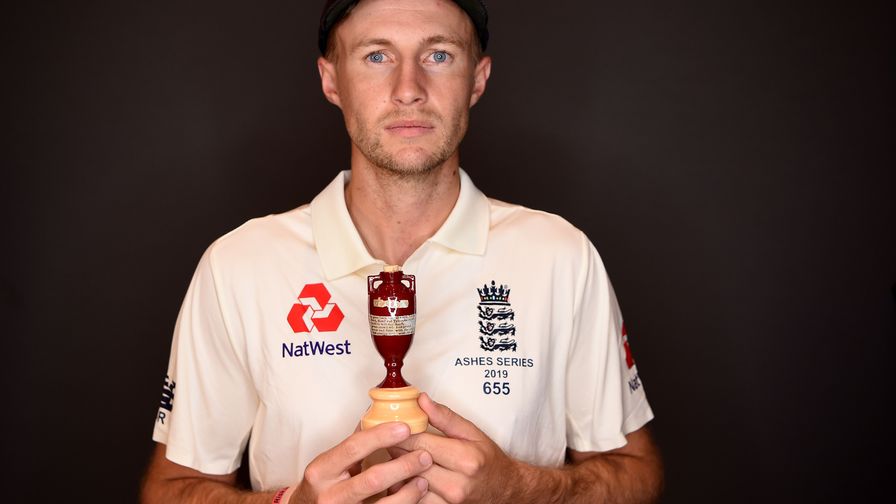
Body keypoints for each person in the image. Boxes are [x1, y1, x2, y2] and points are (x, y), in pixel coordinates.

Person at [140, 0, 664, 502]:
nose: (408, 89)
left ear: (477, 79)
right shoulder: (240, 265)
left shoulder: (560, 256)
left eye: (439, 55)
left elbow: (634, 472)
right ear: (330, 79)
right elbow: (170, 488)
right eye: (377, 56)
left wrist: (523, 492)